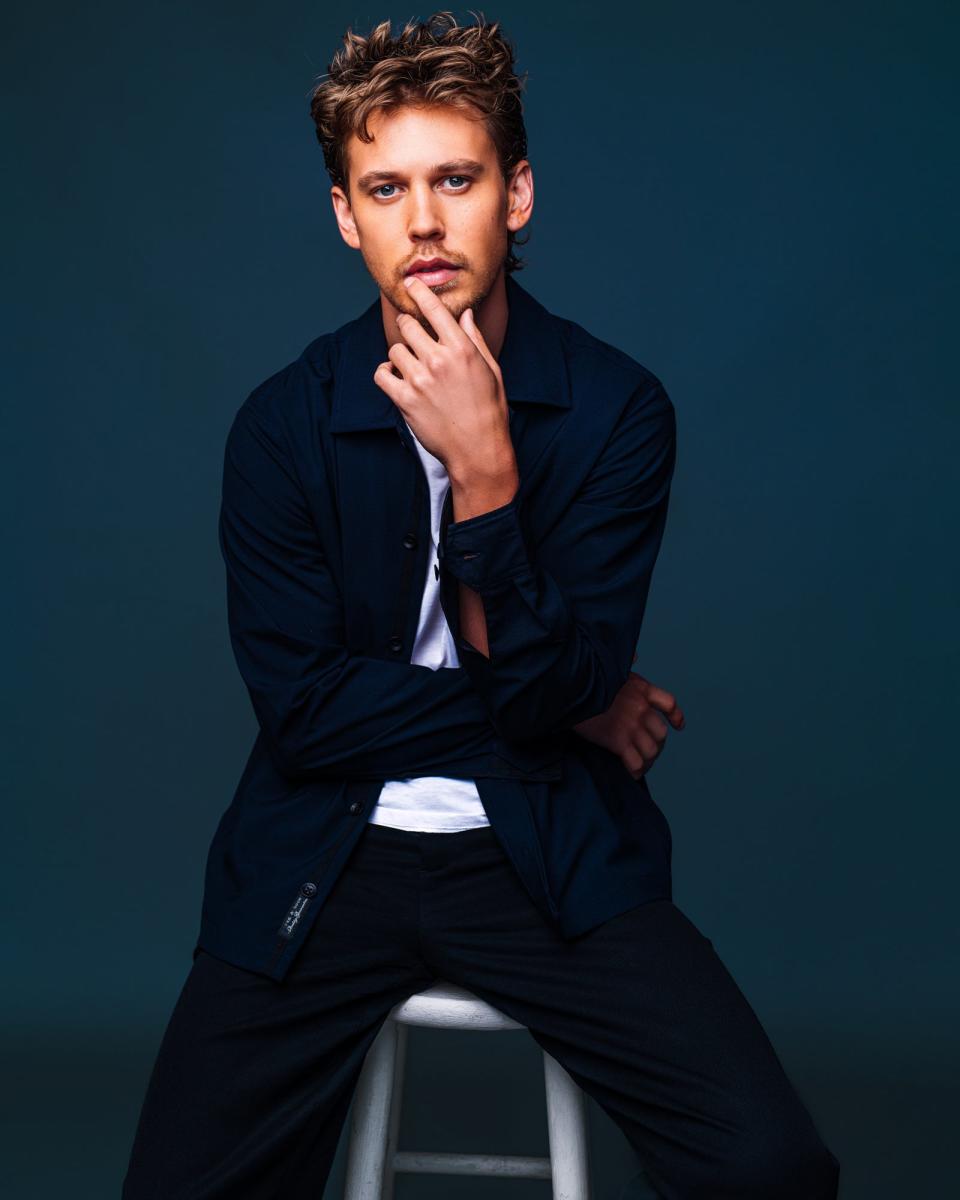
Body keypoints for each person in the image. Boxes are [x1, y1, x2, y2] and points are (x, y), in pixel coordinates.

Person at [122, 12, 840, 1198]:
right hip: (322, 858)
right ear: (346, 215)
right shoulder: (284, 424)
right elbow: (307, 717)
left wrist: (490, 477)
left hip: (549, 852)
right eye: (385, 187)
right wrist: (580, 701)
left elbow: (543, 685)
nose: (422, 221)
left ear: (516, 195)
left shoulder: (616, 411)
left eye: (455, 179)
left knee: (770, 1167)